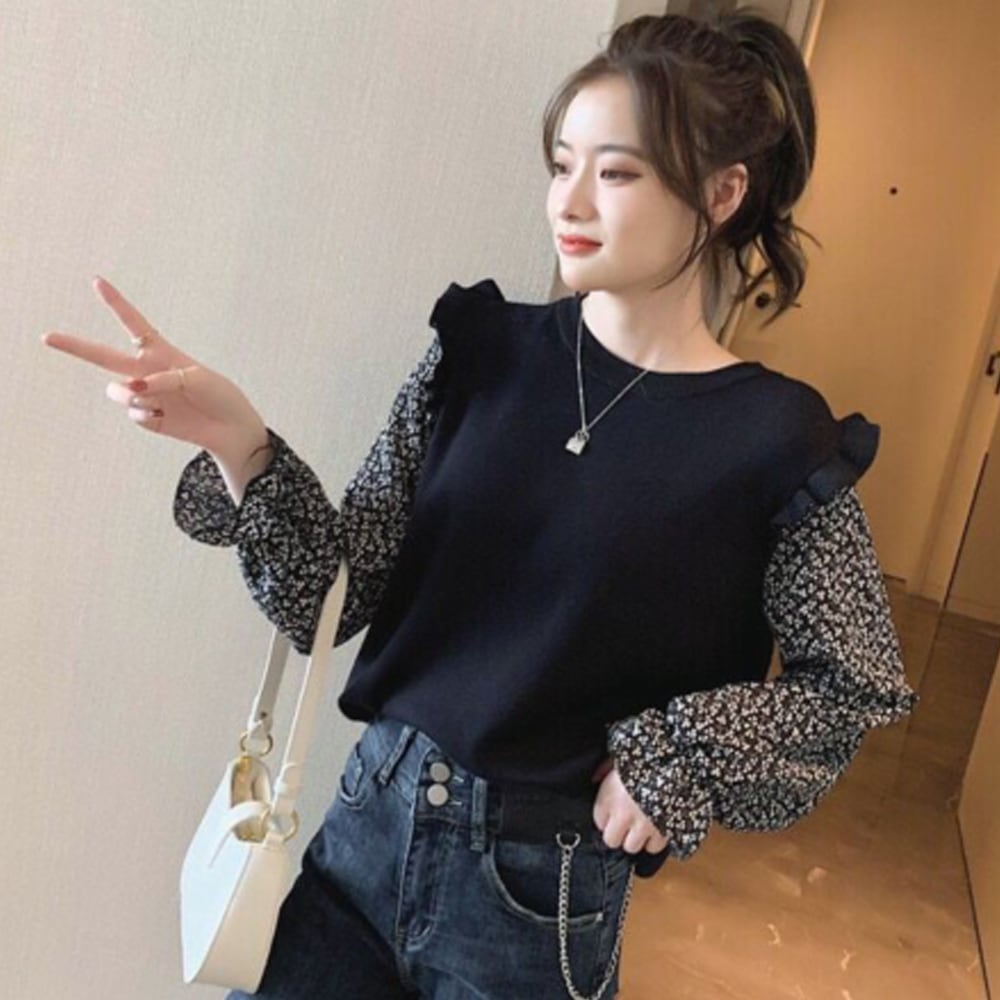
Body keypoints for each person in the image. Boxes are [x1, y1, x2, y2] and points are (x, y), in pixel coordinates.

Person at [42, 9, 920, 999]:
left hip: (539, 898)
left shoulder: (774, 440)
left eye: (616, 173)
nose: (568, 200)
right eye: (562, 164)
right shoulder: (479, 352)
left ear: (721, 193)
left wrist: (677, 757)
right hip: (363, 837)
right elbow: (335, 594)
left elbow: (852, 687)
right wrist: (241, 444)